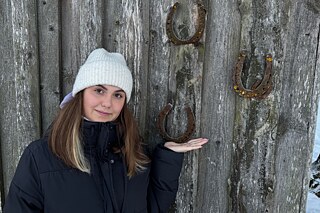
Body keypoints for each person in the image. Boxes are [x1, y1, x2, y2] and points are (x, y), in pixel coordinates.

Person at [4, 48, 208, 213]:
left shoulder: (135, 154)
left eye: (118, 95)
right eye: (99, 90)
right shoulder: (40, 157)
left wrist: (167, 158)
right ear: (81, 93)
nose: (107, 103)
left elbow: (153, 207)